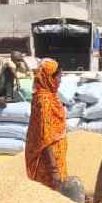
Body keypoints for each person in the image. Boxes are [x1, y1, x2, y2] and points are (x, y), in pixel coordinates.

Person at [25, 59, 68, 190]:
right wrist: (54, 169)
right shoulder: (44, 101)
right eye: (59, 77)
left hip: (54, 159)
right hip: (48, 164)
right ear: (50, 77)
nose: (60, 81)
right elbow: (46, 136)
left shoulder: (49, 96)